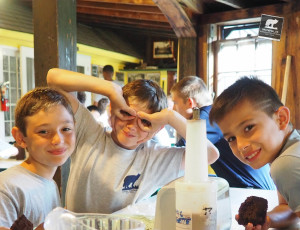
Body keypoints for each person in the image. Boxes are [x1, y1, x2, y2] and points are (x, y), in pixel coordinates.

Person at [47, 68, 219, 214]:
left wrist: (170, 116)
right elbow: (53, 79)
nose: (132, 126)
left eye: (145, 122)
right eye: (127, 113)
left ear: (156, 130)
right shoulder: (90, 133)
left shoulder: (155, 157)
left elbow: (210, 155)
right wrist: (110, 89)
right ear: (112, 112)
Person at [209, 76, 300, 229]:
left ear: (281, 119)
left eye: (249, 128)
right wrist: (268, 220)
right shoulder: (290, 149)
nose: (241, 146)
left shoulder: (286, 164)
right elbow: (291, 209)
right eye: (231, 138)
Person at [170, 76, 276, 189]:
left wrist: (169, 118)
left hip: (251, 189)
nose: (173, 108)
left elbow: (177, 155)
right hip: (255, 186)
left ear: (190, 103)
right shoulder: (214, 115)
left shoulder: (207, 118)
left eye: (175, 102)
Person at [0, 87, 76, 228]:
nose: (57, 140)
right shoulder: (7, 187)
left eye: (66, 129)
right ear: (20, 137)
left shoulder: (50, 184)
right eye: (43, 131)